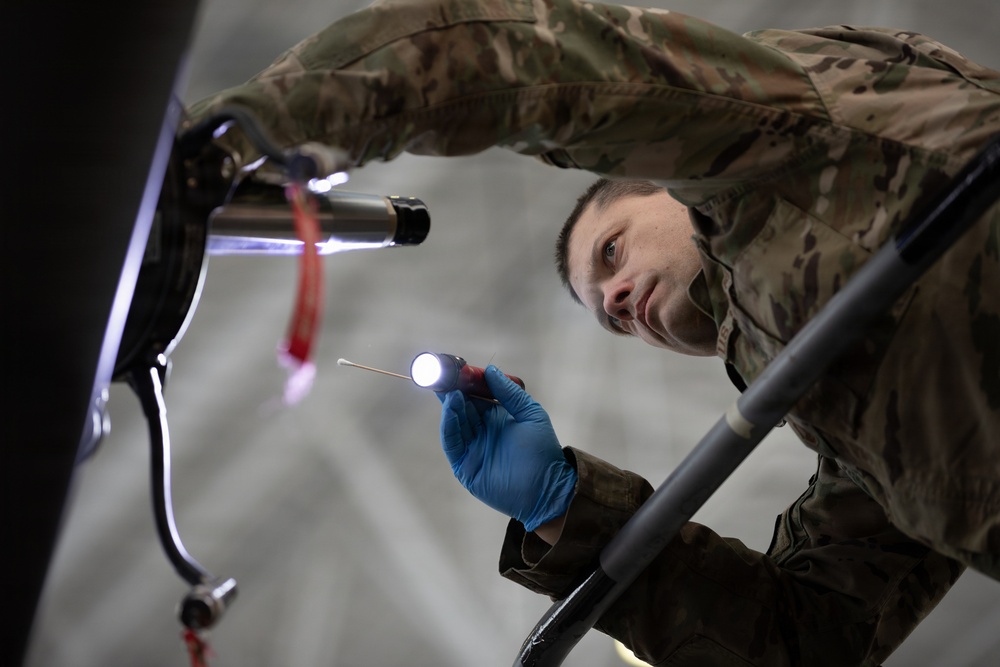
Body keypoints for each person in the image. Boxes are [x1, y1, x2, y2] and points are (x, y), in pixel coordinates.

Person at [187, 0, 1000, 663]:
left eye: (612, 250)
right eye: (605, 313)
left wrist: (253, 130)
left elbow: (524, 56)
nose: (614, 300)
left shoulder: (792, 129)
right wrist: (565, 509)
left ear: (677, 186)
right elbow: (812, 641)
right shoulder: (865, 430)